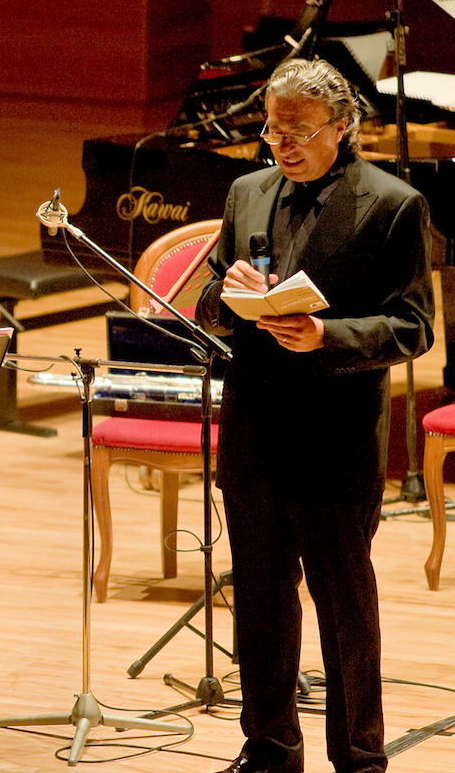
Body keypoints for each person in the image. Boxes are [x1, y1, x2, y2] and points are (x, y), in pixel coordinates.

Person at [196, 57, 434, 773]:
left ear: (341, 126)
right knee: (262, 603)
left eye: (299, 130)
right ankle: (268, 746)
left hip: (335, 438)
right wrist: (228, 292)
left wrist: (328, 334)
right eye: (273, 129)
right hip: (254, 429)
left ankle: (359, 757)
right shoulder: (246, 191)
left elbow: (413, 327)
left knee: (344, 608)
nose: (283, 144)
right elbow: (206, 299)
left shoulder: (392, 204)